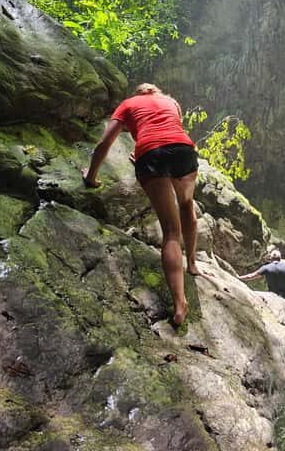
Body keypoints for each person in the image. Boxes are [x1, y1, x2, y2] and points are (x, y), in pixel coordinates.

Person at [81, 83, 199, 326]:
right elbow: (170, 135)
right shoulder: (171, 102)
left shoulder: (127, 104)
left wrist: (91, 176)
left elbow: (104, 144)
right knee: (187, 204)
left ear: (138, 93)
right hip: (184, 152)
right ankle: (193, 264)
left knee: (171, 232)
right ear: (156, 91)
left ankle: (180, 304)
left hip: (151, 155)